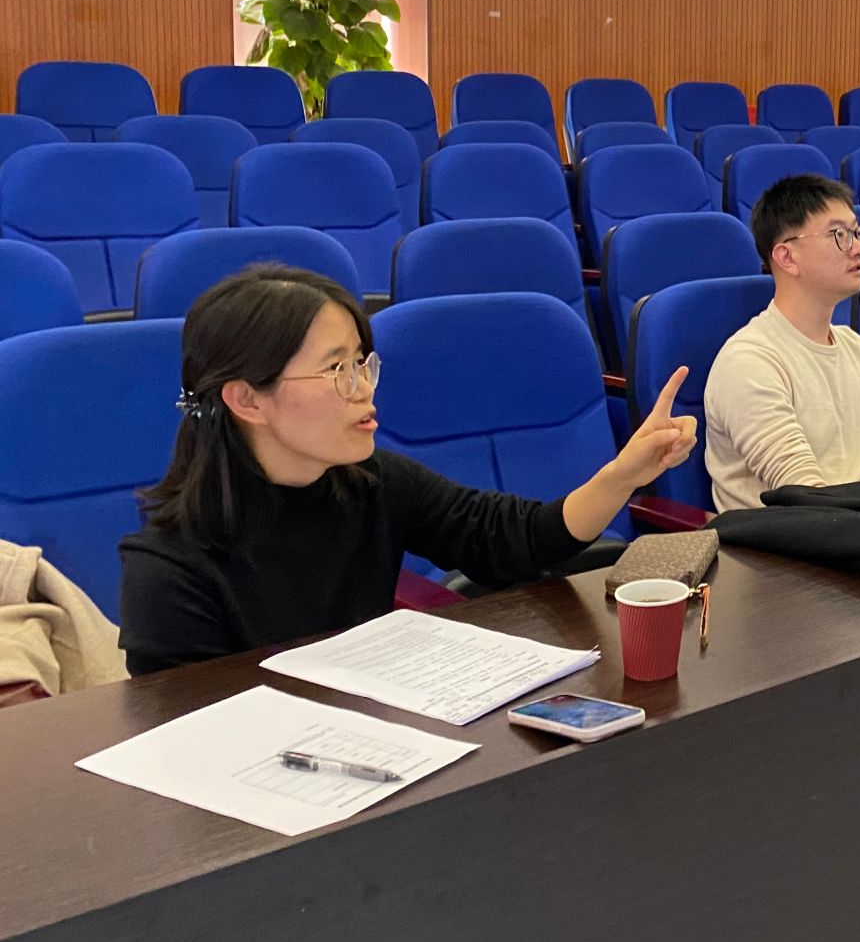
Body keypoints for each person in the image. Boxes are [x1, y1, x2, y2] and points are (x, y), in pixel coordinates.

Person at [117, 264, 696, 675]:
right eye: (337, 370)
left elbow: (514, 539)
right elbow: (186, 738)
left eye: (362, 363)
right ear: (247, 400)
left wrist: (624, 473)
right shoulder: (169, 570)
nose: (364, 389)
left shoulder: (373, 484)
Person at [704, 174, 860, 512]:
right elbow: (806, 498)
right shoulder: (749, 363)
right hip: (785, 537)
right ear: (787, 257)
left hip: (859, 524)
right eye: (839, 235)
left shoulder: (856, 348)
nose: (859, 247)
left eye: (857, 232)